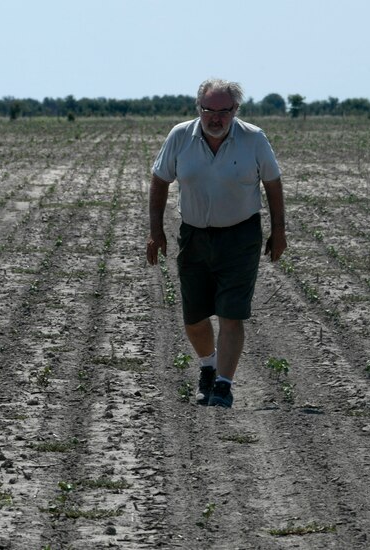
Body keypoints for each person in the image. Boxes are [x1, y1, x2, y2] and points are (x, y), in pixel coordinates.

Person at [145, 78, 286, 408]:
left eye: (225, 111)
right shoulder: (180, 136)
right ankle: (208, 367)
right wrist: (156, 230)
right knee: (194, 318)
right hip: (194, 236)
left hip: (240, 236)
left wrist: (278, 231)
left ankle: (223, 385)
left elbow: (273, 183)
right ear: (199, 108)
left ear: (236, 110)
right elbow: (159, 180)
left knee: (230, 313)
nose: (216, 118)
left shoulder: (253, 138)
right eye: (209, 110)